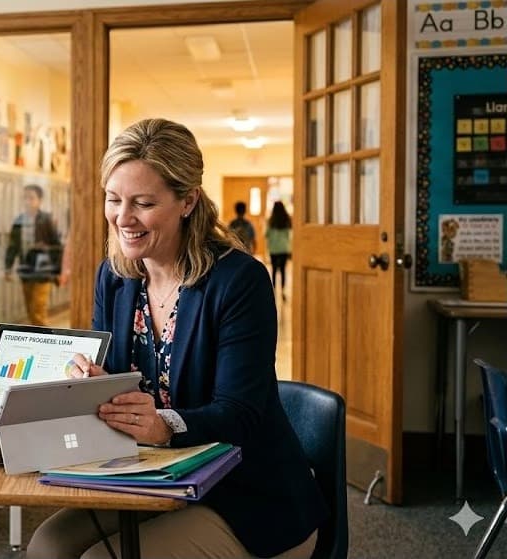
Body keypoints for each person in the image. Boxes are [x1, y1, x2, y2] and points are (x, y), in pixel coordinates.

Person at [27, 119, 325, 559]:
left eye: (143, 203)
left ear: (188, 201)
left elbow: (239, 414)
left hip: (247, 496)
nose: (122, 218)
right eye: (113, 199)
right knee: (46, 547)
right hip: (153, 476)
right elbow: (114, 388)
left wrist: (165, 425)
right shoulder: (113, 277)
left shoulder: (239, 281)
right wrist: (91, 382)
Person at [4, 184, 63, 325]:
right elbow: (13, 247)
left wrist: (58, 271)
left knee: (38, 313)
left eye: (31, 198)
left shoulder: (46, 220)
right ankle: (39, 340)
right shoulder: (19, 221)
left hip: (43, 272)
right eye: (25, 198)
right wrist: (8, 267)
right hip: (26, 271)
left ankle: (47, 342)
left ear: (39, 200)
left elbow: (57, 246)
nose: (27, 201)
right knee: (31, 312)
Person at [265, 201, 293, 302]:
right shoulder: (287, 220)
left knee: (273, 269)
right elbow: (290, 234)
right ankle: (283, 291)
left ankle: (273, 290)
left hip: (274, 248)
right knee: (283, 270)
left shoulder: (271, 220)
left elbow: (266, 234)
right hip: (284, 248)